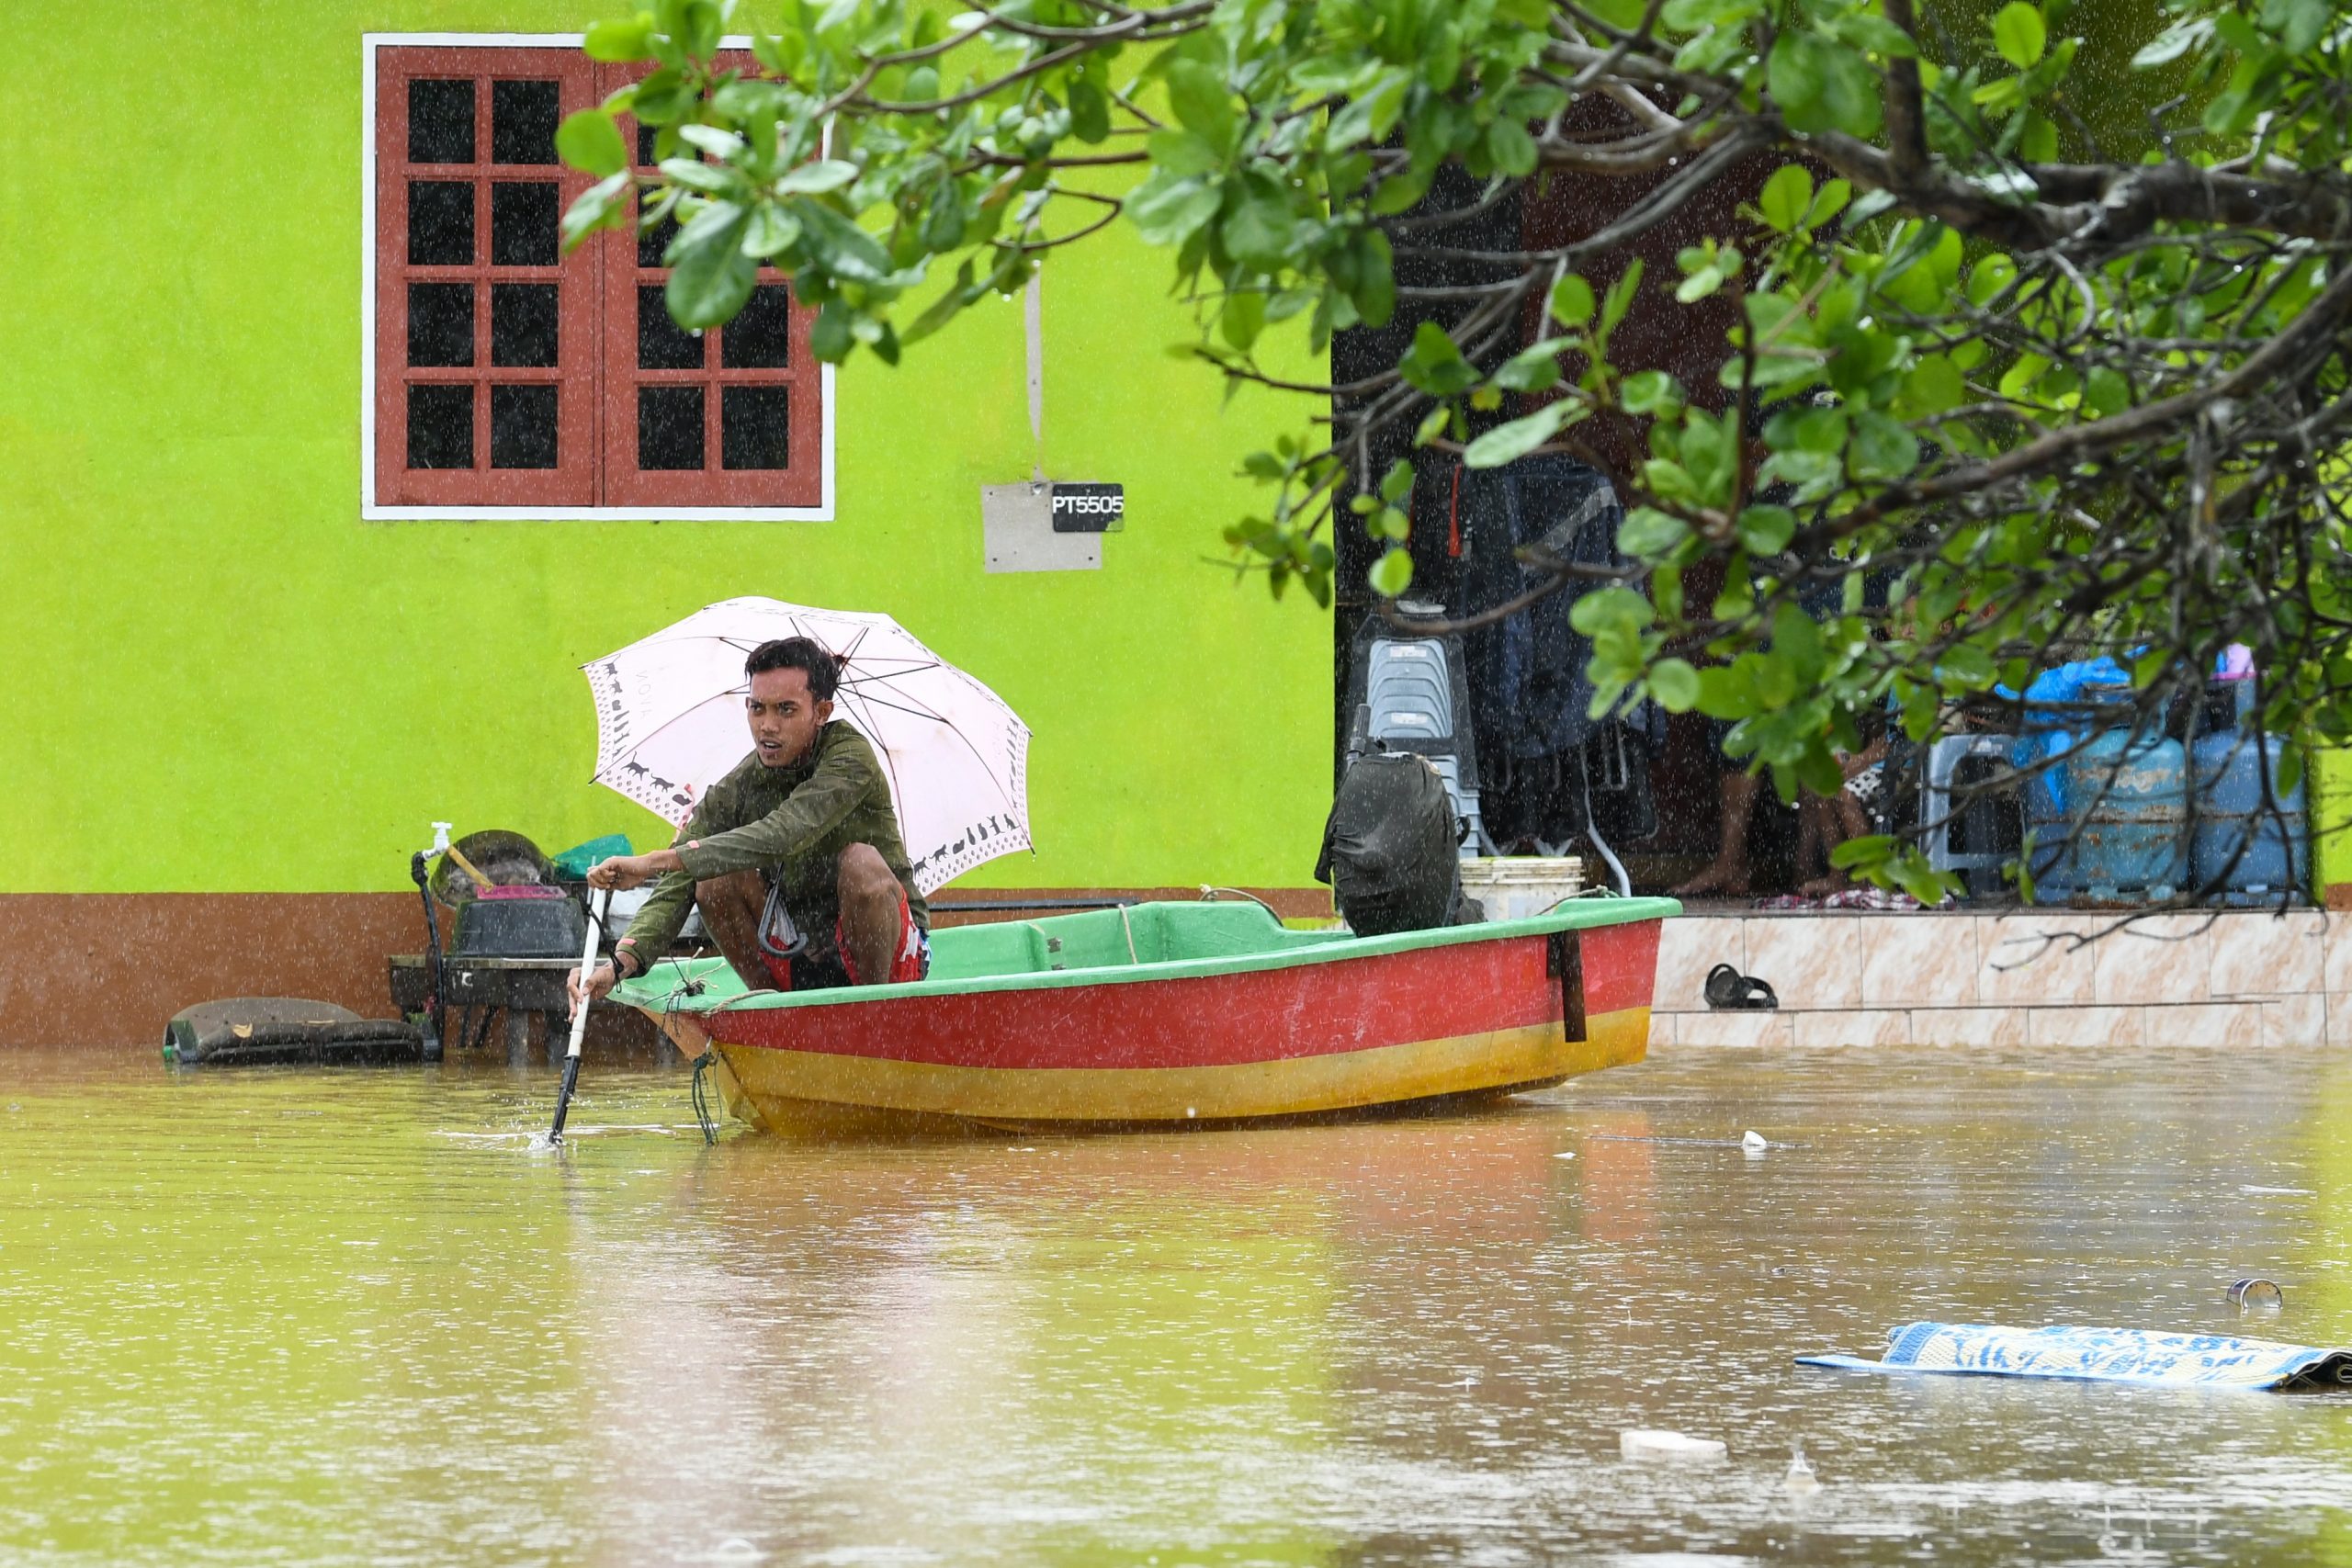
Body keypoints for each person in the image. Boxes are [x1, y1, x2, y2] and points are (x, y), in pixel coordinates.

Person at [567, 636, 930, 1013]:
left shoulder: (850, 757)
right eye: (757, 709)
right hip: (803, 952)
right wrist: (618, 965)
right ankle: (775, 1013)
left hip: (890, 962)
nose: (767, 726)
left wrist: (652, 862)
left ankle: (873, 1013)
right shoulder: (742, 784)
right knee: (713, 881)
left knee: (860, 863)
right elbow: (680, 882)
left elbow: (785, 833)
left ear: (821, 712)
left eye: (786, 710)